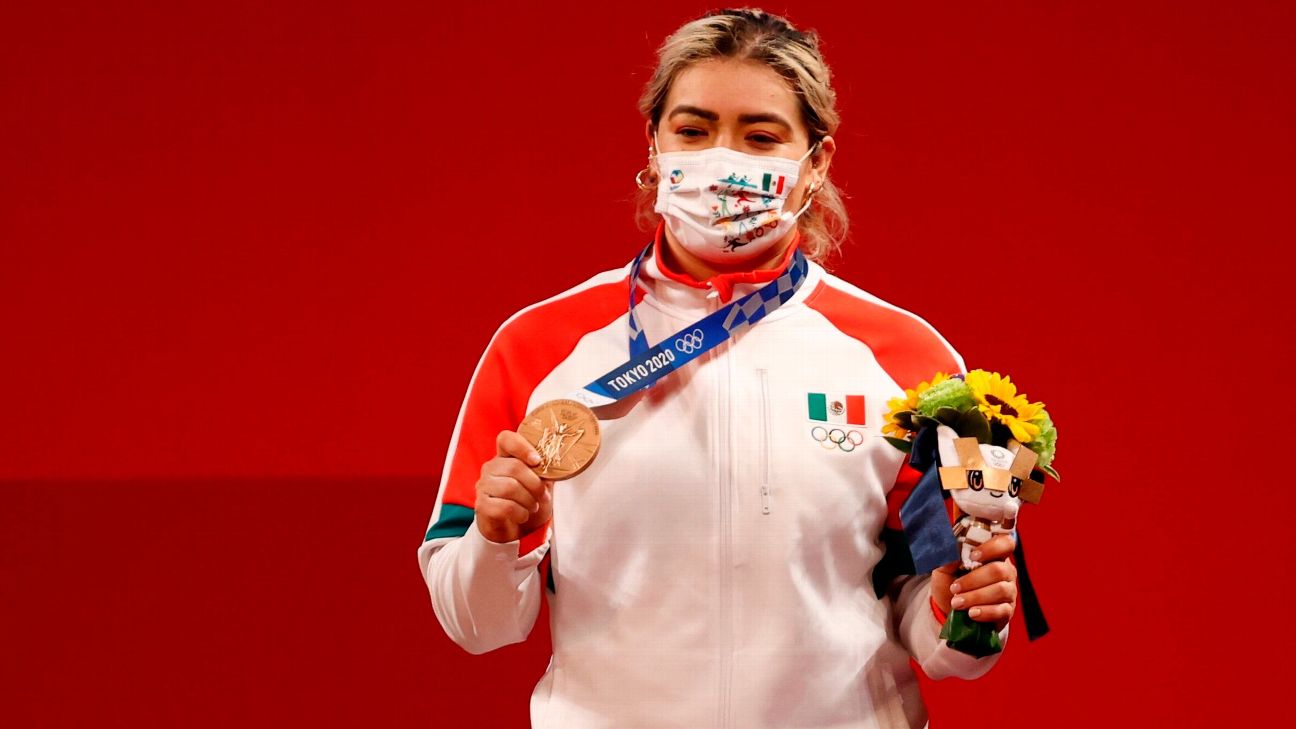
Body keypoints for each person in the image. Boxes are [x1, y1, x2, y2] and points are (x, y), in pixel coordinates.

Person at [417, 8, 1019, 728]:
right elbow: (476, 623)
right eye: (694, 130)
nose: (724, 161)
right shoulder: (541, 346)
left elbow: (937, 619)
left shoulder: (906, 358)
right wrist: (496, 539)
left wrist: (959, 614)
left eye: (760, 137)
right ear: (654, 143)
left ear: (816, 161)